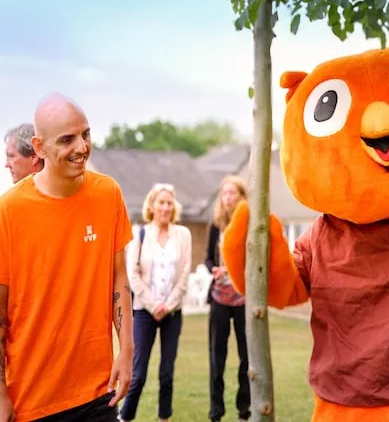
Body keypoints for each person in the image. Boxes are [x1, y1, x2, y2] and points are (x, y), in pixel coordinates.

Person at [0, 93, 134, 421]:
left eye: (85, 134)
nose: (82, 147)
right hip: (31, 400)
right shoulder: (9, 211)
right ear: (40, 147)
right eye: (67, 139)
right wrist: (1, 394)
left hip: (96, 392)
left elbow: (119, 277)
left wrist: (127, 351)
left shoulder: (108, 193)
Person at [119, 183, 192, 422]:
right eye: (161, 202)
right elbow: (133, 274)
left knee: (167, 373)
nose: (165, 207)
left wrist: (167, 306)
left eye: (169, 202)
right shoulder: (139, 233)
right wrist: (153, 306)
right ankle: (125, 417)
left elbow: (184, 275)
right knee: (138, 373)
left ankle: (164, 418)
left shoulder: (183, 235)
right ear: (152, 205)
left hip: (172, 313)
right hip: (144, 312)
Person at [204, 175, 250, 422]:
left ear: (242, 197)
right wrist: (213, 269)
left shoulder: (250, 224)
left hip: (244, 300)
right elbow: (207, 259)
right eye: (225, 193)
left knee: (247, 358)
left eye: (233, 193)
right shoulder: (215, 225)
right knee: (216, 358)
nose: (228, 197)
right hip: (219, 299)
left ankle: (244, 411)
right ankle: (216, 413)